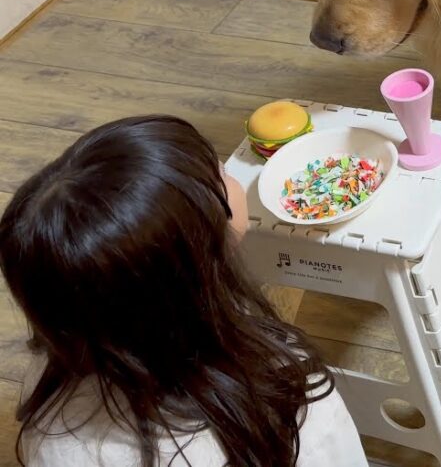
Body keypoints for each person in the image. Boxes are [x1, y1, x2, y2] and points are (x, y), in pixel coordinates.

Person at [0, 116, 367, 466]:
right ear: (196, 254)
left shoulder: (46, 397)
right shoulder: (281, 389)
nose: (227, 167)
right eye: (219, 173)